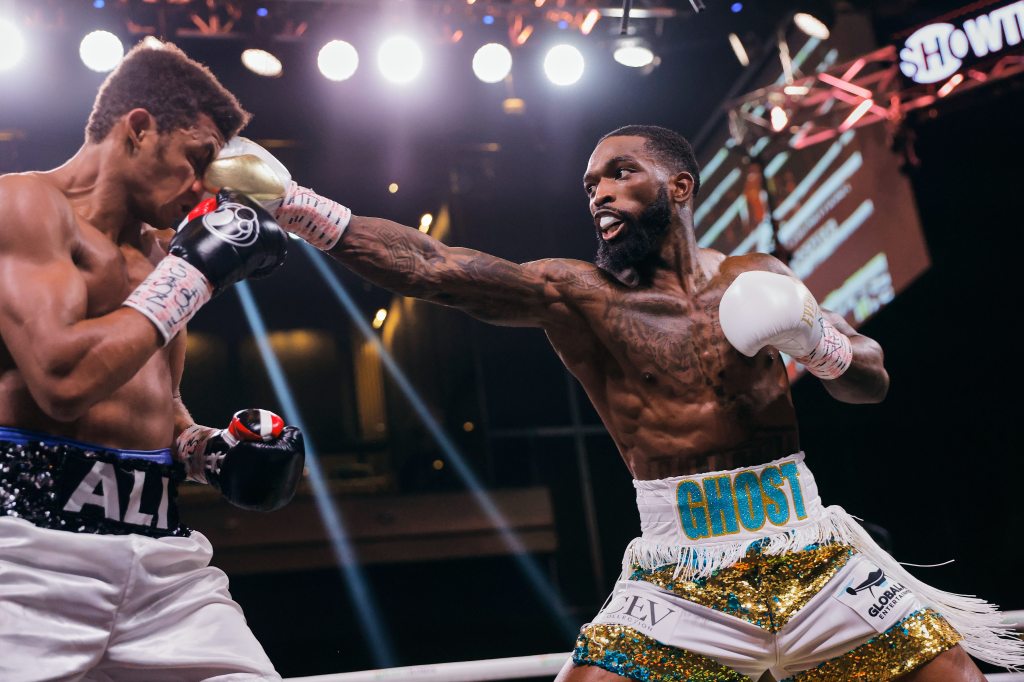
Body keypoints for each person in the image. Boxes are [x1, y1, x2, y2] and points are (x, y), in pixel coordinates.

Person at [212, 127, 1024, 681]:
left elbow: (870, 382)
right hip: (677, 574)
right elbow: (434, 266)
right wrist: (298, 203)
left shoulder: (757, 275)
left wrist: (818, 341)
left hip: (813, 544)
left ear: (679, 184)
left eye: (618, 173)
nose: (597, 191)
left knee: (952, 672)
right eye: (589, 181)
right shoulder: (579, 295)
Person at [0, 41, 305, 681]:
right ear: (138, 129)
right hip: (29, 555)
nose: (204, 188)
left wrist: (209, 451)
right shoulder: (24, 206)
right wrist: (192, 276)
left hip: (163, 563)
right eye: (196, 159)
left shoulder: (165, 254)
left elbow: (159, 403)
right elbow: (62, 380)